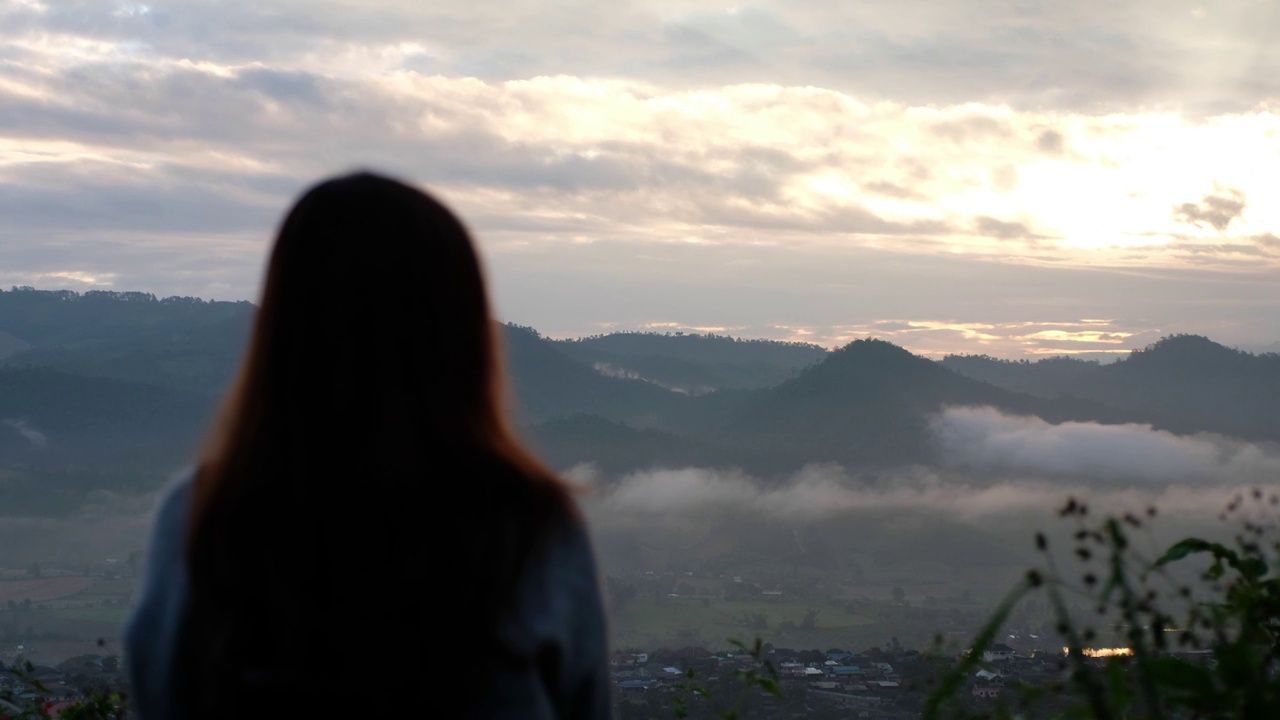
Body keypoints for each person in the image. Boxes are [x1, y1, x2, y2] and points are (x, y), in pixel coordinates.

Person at [124, 172, 613, 719]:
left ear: (284, 327)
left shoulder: (206, 514)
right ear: (462, 334)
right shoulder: (531, 527)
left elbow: (162, 695)